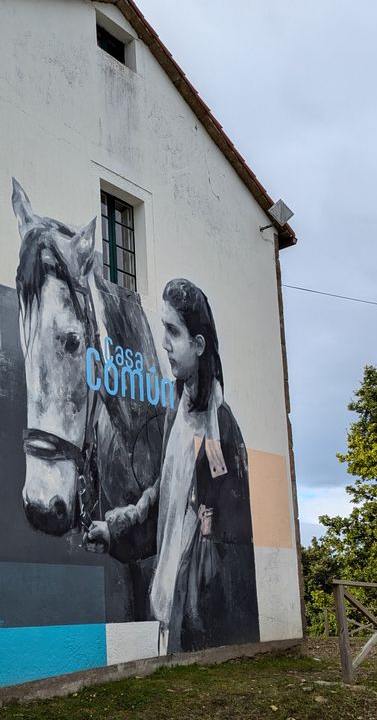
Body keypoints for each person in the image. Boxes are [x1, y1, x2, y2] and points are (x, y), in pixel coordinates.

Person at [85, 278, 259, 653]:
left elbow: (222, 541)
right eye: (162, 328)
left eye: (172, 331)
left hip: (193, 632)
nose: (164, 342)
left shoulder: (219, 431)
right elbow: (166, 504)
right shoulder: (175, 415)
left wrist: (195, 615)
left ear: (198, 346)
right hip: (165, 622)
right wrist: (114, 532)